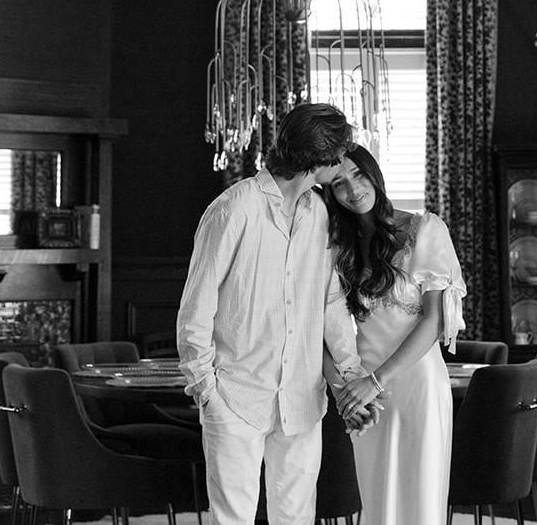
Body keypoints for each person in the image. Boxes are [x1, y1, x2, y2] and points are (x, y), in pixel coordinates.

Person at [176, 102, 376, 525]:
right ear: (319, 159)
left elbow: (331, 303)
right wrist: (206, 390)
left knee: (296, 518)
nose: (343, 162)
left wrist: (349, 374)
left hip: (302, 396)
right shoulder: (233, 210)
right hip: (235, 395)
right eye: (339, 154)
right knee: (232, 520)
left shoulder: (318, 213)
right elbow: (196, 308)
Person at [321, 143, 467, 525]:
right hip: (363, 392)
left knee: (420, 501)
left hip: (416, 383)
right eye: (339, 183)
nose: (353, 189)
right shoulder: (336, 246)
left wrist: (375, 381)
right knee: (378, 503)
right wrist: (346, 393)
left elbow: (434, 321)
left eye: (358, 175)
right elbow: (319, 328)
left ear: (374, 173)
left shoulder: (426, 230)